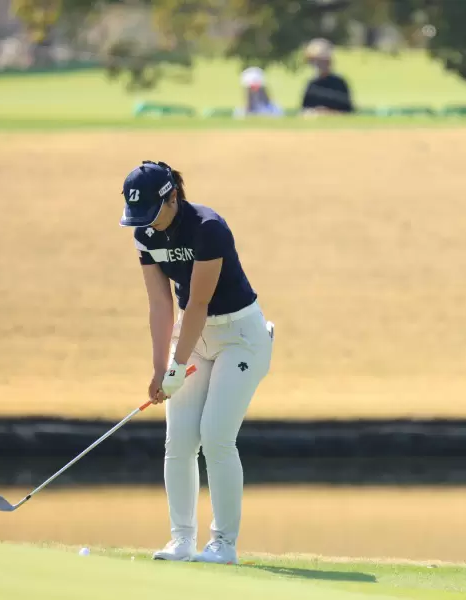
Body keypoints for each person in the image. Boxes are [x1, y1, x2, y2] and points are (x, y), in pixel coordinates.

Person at [119, 160, 274, 565]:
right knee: (180, 441)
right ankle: (182, 541)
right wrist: (159, 369)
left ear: (172, 196)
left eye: (152, 210)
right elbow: (159, 304)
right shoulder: (144, 235)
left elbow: (200, 303)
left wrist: (176, 365)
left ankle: (223, 544)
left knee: (216, 435)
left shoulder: (209, 228)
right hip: (194, 337)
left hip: (240, 337)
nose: (145, 223)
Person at [300, 38, 354, 115]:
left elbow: (348, 111)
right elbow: (304, 110)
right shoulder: (312, 85)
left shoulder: (339, 83)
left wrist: (328, 112)